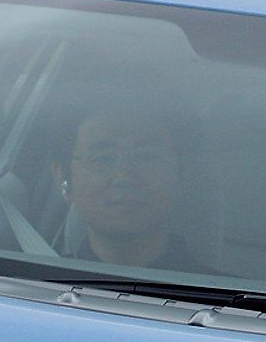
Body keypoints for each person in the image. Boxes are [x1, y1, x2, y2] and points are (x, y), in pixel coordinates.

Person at [50, 102, 207, 271]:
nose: (124, 176)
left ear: (182, 174)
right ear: (63, 177)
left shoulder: (231, 293)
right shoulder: (36, 281)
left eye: (145, 156)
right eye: (103, 158)